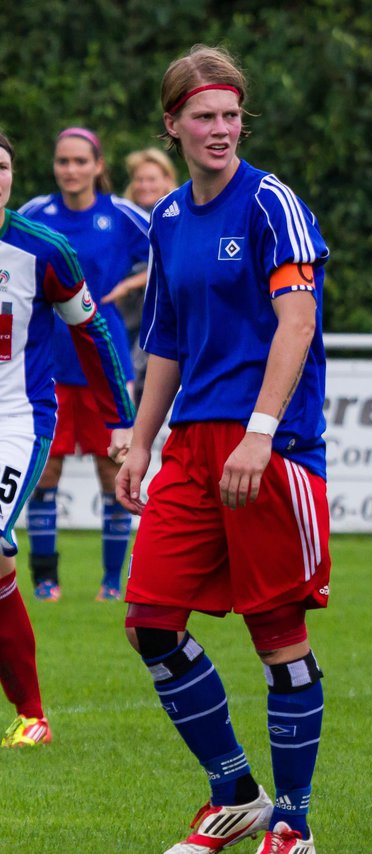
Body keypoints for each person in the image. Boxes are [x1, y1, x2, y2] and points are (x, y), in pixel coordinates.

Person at [114, 45, 330, 854]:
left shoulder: (271, 203)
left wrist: (261, 432)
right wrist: (140, 442)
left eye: (231, 114)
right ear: (172, 124)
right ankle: (236, 792)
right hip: (191, 449)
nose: (220, 129)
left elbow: (297, 324)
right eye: (203, 116)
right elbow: (165, 340)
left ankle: (295, 827)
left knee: (279, 639)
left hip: (269, 445)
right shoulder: (167, 218)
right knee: (151, 623)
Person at [0, 129, 134, 748]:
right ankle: (32, 714)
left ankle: (33, 714)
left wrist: (123, 417)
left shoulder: (43, 249)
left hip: (17, 420)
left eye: (2, 166)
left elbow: (94, 332)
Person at [17, 127, 149, 602]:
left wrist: (132, 288)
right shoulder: (35, 213)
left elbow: (171, 252)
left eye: (79, 161)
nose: (70, 170)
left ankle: (112, 584)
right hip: (46, 360)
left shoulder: (120, 215)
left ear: (98, 165)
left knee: (111, 470)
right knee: (44, 471)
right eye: (62, 162)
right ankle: (44, 580)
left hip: (103, 358)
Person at [121, 148, 180, 391]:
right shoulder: (124, 216)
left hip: (160, 307)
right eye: (139, 179)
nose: (144, 185)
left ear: (167, 179)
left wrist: (129, 284)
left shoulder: (176, 214)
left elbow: (172, 264)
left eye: (152, 179)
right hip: (127, 312)